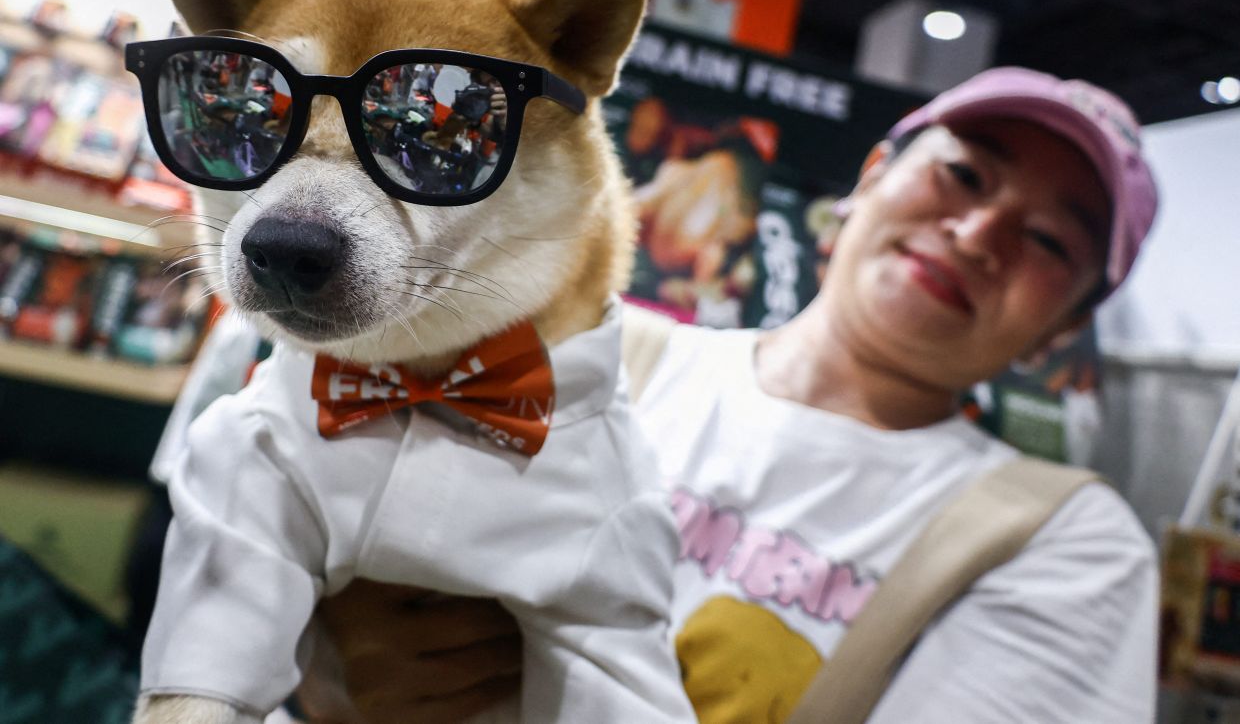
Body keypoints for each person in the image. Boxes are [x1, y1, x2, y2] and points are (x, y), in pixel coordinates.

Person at [141, 66, 1160, 723]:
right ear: (872, 174)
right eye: (966, 176)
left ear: (1067, 322)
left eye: (1049, 240)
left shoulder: (1063, 546)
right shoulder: (577, 356)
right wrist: (321, 675)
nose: (977, 235)